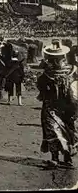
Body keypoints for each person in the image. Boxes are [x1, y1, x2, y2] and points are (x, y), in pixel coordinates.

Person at [37, 40, 78, 169]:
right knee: (65, 131)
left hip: (52, 106)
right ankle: (66, 158)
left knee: (53, 131)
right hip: (68, 106)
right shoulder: (73, 70)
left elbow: (41, 89)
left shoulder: (46, 74)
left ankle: (56, 158)